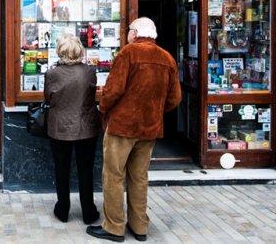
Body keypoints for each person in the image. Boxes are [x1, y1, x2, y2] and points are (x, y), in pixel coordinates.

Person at [87, 17, 181, 243]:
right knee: (139, 177)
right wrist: (155, 111)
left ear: (135, 33)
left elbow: (113, 90)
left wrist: (103, 107)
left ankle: (114, 227)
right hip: (149, 128)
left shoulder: (128, 54)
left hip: (122, 126)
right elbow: (175, 98)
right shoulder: (167, 58)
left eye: (128, 30)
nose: (127, 34)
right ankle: (140, 227)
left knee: (113, 176)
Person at [45, 35, 102, 225]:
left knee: (62, 169)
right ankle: (88, 211)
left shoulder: (52, 74)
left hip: (60, 128)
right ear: (79, 51)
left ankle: (62, 210)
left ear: (60, 52)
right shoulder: (90, 71)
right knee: (86, 170)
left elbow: (48, 99)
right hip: (86, 126)